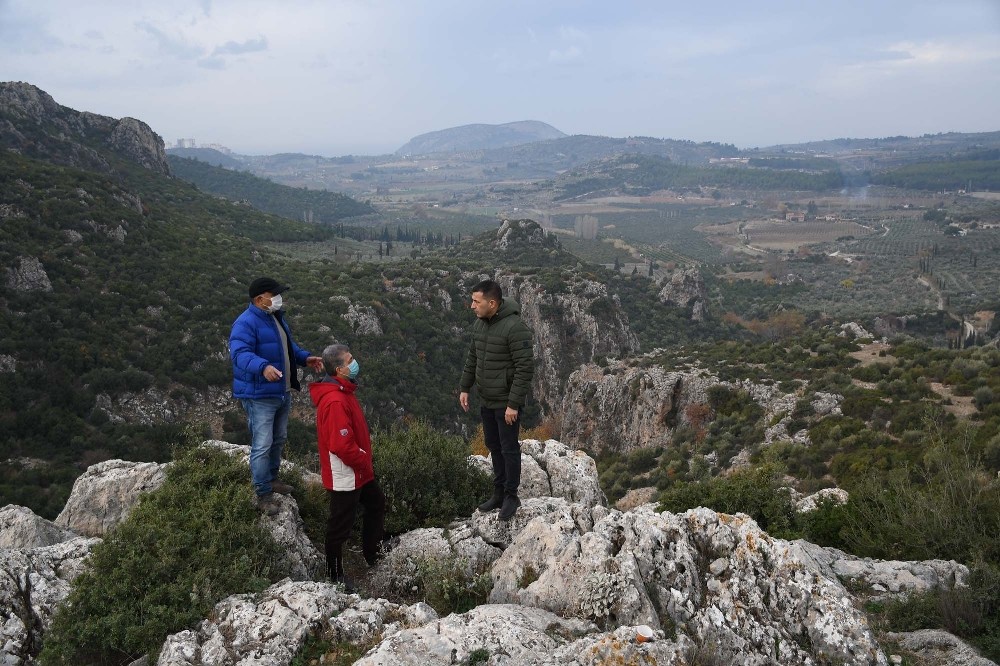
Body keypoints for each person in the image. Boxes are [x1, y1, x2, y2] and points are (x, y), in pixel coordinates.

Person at [230, 277, 324, 516]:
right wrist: (263, 367)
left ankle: (272, 479)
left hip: (281, 391)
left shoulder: (275, 318)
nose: (278, 299)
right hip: (260, 395)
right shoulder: (245, 323)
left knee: (278, 438)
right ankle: (262, 493)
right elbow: (239, 354)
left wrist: (305, 358)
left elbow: (287, 348)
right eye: (274, 295)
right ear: (259, 299)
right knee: (262, 444)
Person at [310, 343, 386, 591]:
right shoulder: (334, 400)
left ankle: (373, 553)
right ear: (339, 369)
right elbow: (341, 445)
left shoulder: (344, 391)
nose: (355, 363)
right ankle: (334, 575)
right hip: (345, 473)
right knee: (339, 526)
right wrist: (363, 460)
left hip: (358, 470)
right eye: (350, 360)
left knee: (376, 503)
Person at [459, 279, 535, 521]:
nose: (472, 306)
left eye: (476, 301)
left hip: (505, 402)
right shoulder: (480, 324)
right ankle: (499, 492)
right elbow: (473, 357)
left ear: (492, 303)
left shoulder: (515, 327)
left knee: (509, 448)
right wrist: (465, 387)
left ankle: (511, 496)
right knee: (493, 445)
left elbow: (525, 368)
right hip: (487, 399)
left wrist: (513, 404)